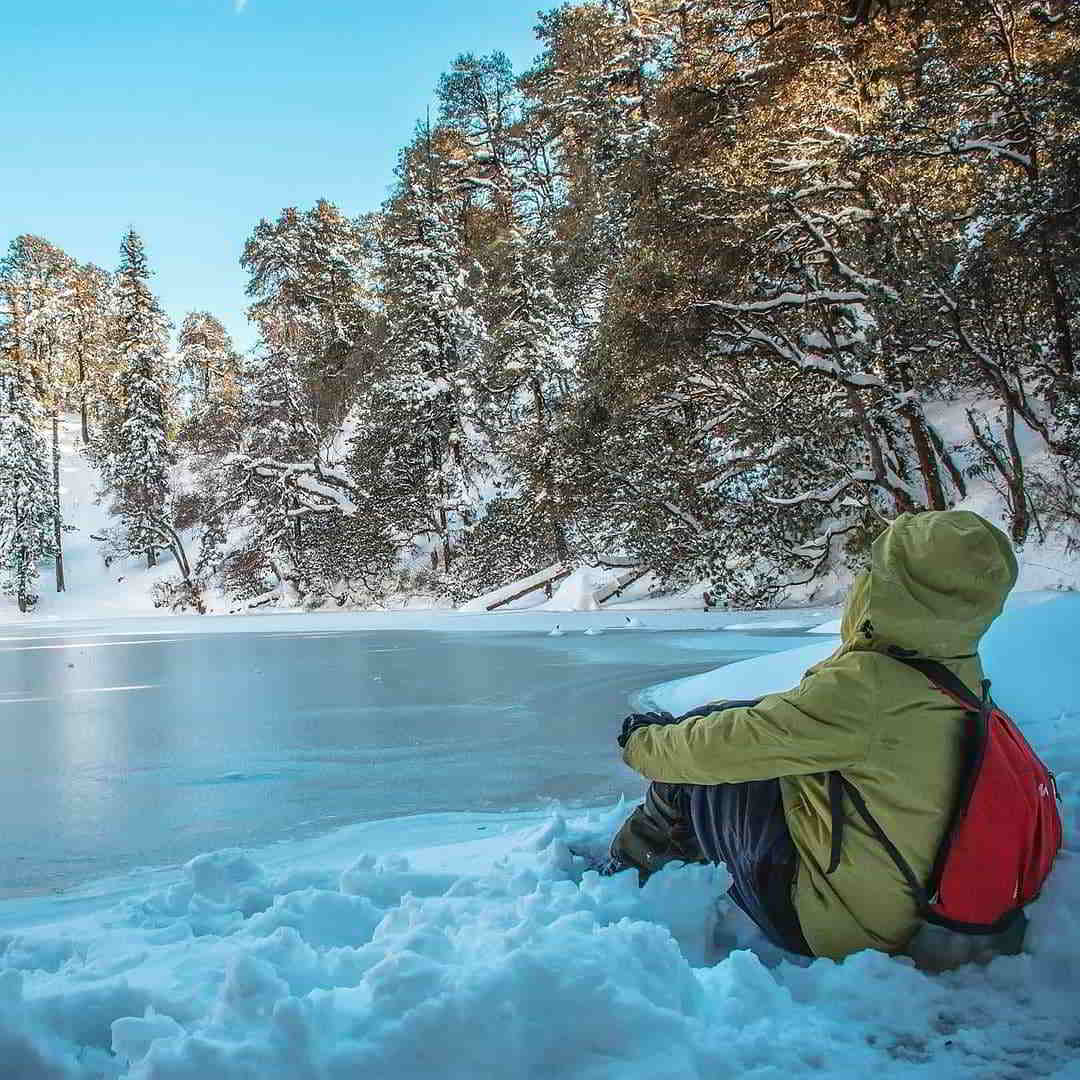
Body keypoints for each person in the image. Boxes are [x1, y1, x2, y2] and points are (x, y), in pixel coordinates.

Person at [610, 510, 1019, 961]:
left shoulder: (869, 684)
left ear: (891, 585)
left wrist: (643, 744)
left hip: (836, 924)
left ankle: (624, 879)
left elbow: (718, 749)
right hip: (899, 897)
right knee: (725, 726)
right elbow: (781, 725)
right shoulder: (952, 668)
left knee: (693, 769)